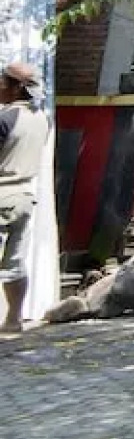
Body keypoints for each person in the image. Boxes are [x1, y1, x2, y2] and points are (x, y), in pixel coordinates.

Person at [0, 61, 52, 332]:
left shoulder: (6, 119)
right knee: (14, 262)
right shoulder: (42, 118)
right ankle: (13, 319)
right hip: (23, 198)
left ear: (16, 87)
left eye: (2, 80)